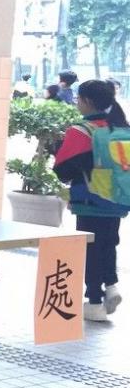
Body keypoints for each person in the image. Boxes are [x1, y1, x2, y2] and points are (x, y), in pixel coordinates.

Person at [53, 79, 128, 322]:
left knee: (91, 248)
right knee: (109, 243)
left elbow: (63, 170)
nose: (77, 102)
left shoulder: (82, 130)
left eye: (78, 98)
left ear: (87, 101)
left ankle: (94, 302)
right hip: (117, 199)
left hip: (89, 200)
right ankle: (111, 286)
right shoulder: (120, 127)